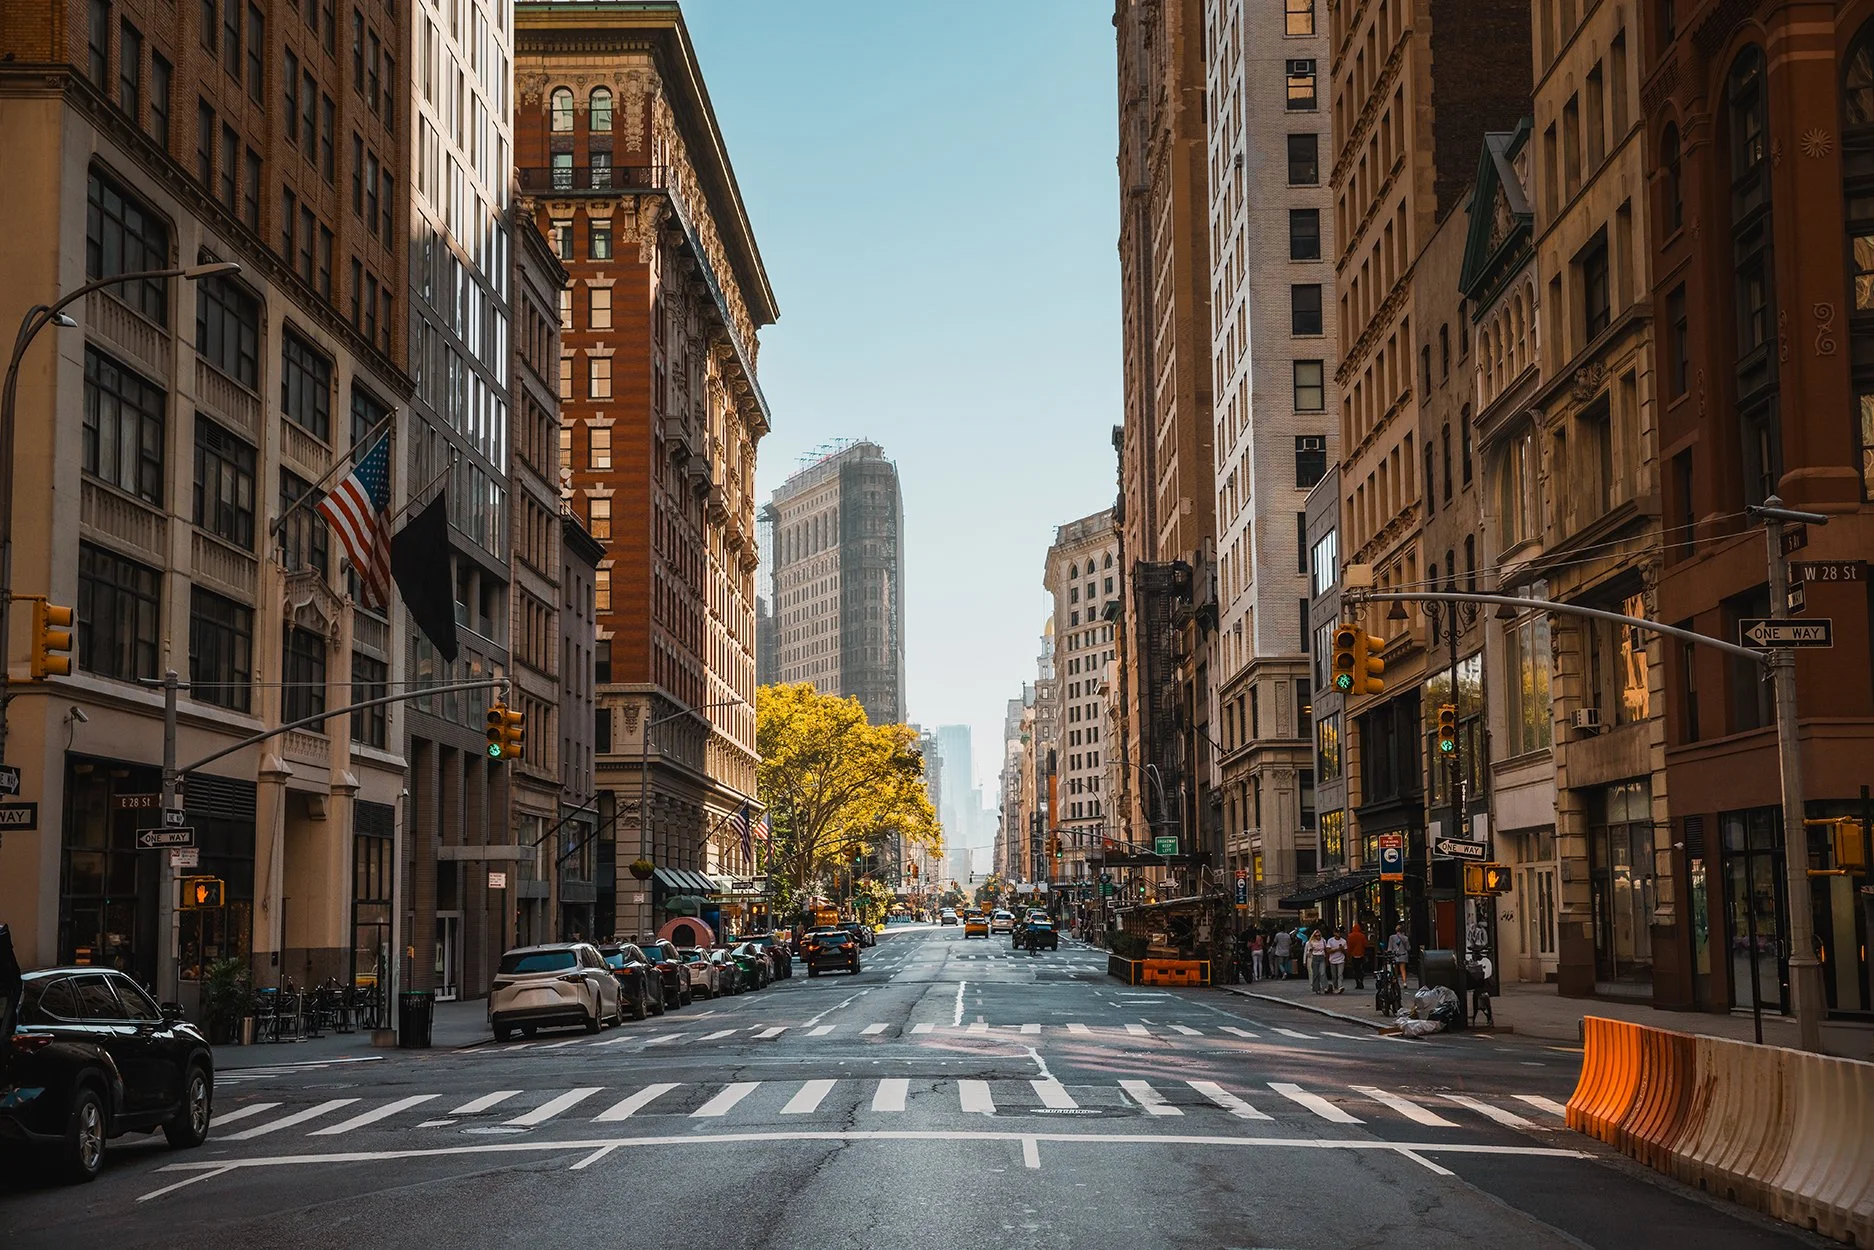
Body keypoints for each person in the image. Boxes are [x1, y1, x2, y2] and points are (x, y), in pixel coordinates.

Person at [1387, 922, 1411, 987]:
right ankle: (1404, 982)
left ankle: (1396, 982)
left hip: (1395, 955)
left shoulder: (1391, 937)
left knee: (1395, 969)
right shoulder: (1405, 938)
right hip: (1403, 954)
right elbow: (1408, 948)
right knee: (1403, 969)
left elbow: (1390, 947)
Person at [1347, 920, 1369, 989]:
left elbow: (1349, 946)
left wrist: (1348, 955)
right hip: (1361, 954)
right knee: (1360, 968)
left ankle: (1357, 982)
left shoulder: (1350, 936)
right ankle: (1361, 981)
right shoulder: (1362, 936)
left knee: (1355, 969)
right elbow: (1366, 945)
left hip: (1354, 955)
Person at [1305, 928, 1328, 993]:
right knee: (1315, 973)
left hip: (1322, 957)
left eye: (1319, 935)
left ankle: (1325, 987)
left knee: (1322, 972)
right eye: (1316, 936)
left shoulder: (1323, 940)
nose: (1318, 937)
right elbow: (1308, 950)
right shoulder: (1311, 941)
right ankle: (1316, 988)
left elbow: (1325, 949)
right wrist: (1310, 951)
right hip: (1315, 957)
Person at [1326, 926, 1348, 994]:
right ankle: (1335, 987)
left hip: (1341, 960)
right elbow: (1328, 951)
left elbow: (1346, 952)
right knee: (1334, 975)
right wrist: (1337, 949)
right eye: (1337, 932)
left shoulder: (1343, 941)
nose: (1339, 934)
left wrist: (1342, 950)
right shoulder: (1330, 941)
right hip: (1332, 960)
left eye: (1339, 932)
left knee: (1340, 974)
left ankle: (1340, 986)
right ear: (1334, 933)